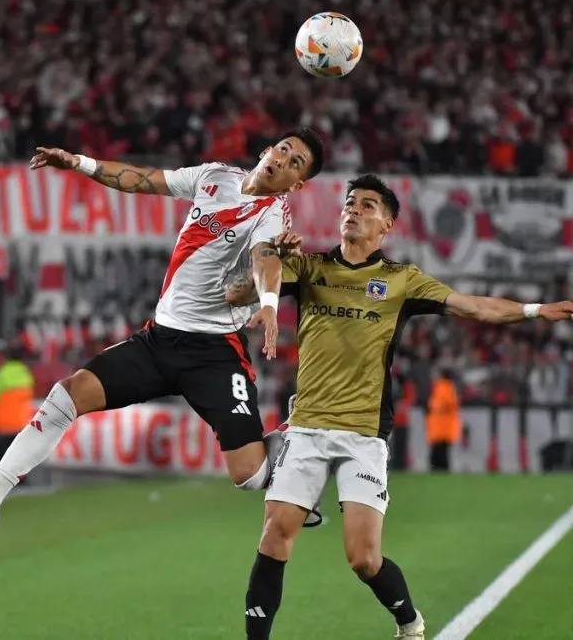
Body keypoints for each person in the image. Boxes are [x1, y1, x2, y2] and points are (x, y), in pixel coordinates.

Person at [226, 174, 573, 640]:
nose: (354, 209)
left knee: (363, 559)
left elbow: (472, 306)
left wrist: (534, 311)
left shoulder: (401, 280)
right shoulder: (308, 267)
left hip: (363, 435)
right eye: (350, 203)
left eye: (368, 206)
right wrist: (269, 258)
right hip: (306, 428)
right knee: (274, 537)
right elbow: (236, 293)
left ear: (385, 225)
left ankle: (409, 622)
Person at [0, 128, 326, 529]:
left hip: (214, 352)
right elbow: (143, 180)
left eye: (295, 163)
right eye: (283, 149)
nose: (282, 160)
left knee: (249, 476)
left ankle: (291, 441)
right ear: (266, 150)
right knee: (67, 395)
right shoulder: (214, 177)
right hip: (159, 340)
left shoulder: (272, 215)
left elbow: (265, 257)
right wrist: (78, 163)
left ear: (296, 184)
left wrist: (268, 304)